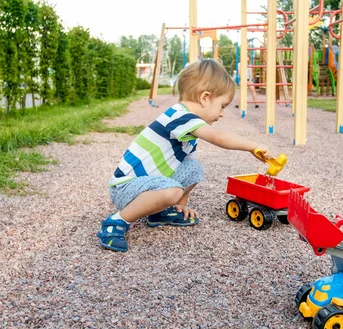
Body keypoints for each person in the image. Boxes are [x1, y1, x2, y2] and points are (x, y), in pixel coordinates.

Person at [98, 59, 272, 252]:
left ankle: (161, 212)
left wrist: (181, 204)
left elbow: (186, 168)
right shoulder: (179, 116)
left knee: (194, 168)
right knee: (172, 190)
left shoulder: (189, 130)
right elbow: (218, 137)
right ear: (205, 97)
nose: (222, 114)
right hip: (125, 187)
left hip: (149, 184)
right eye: (222, 105)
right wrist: (251, 146)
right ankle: (117, 221)